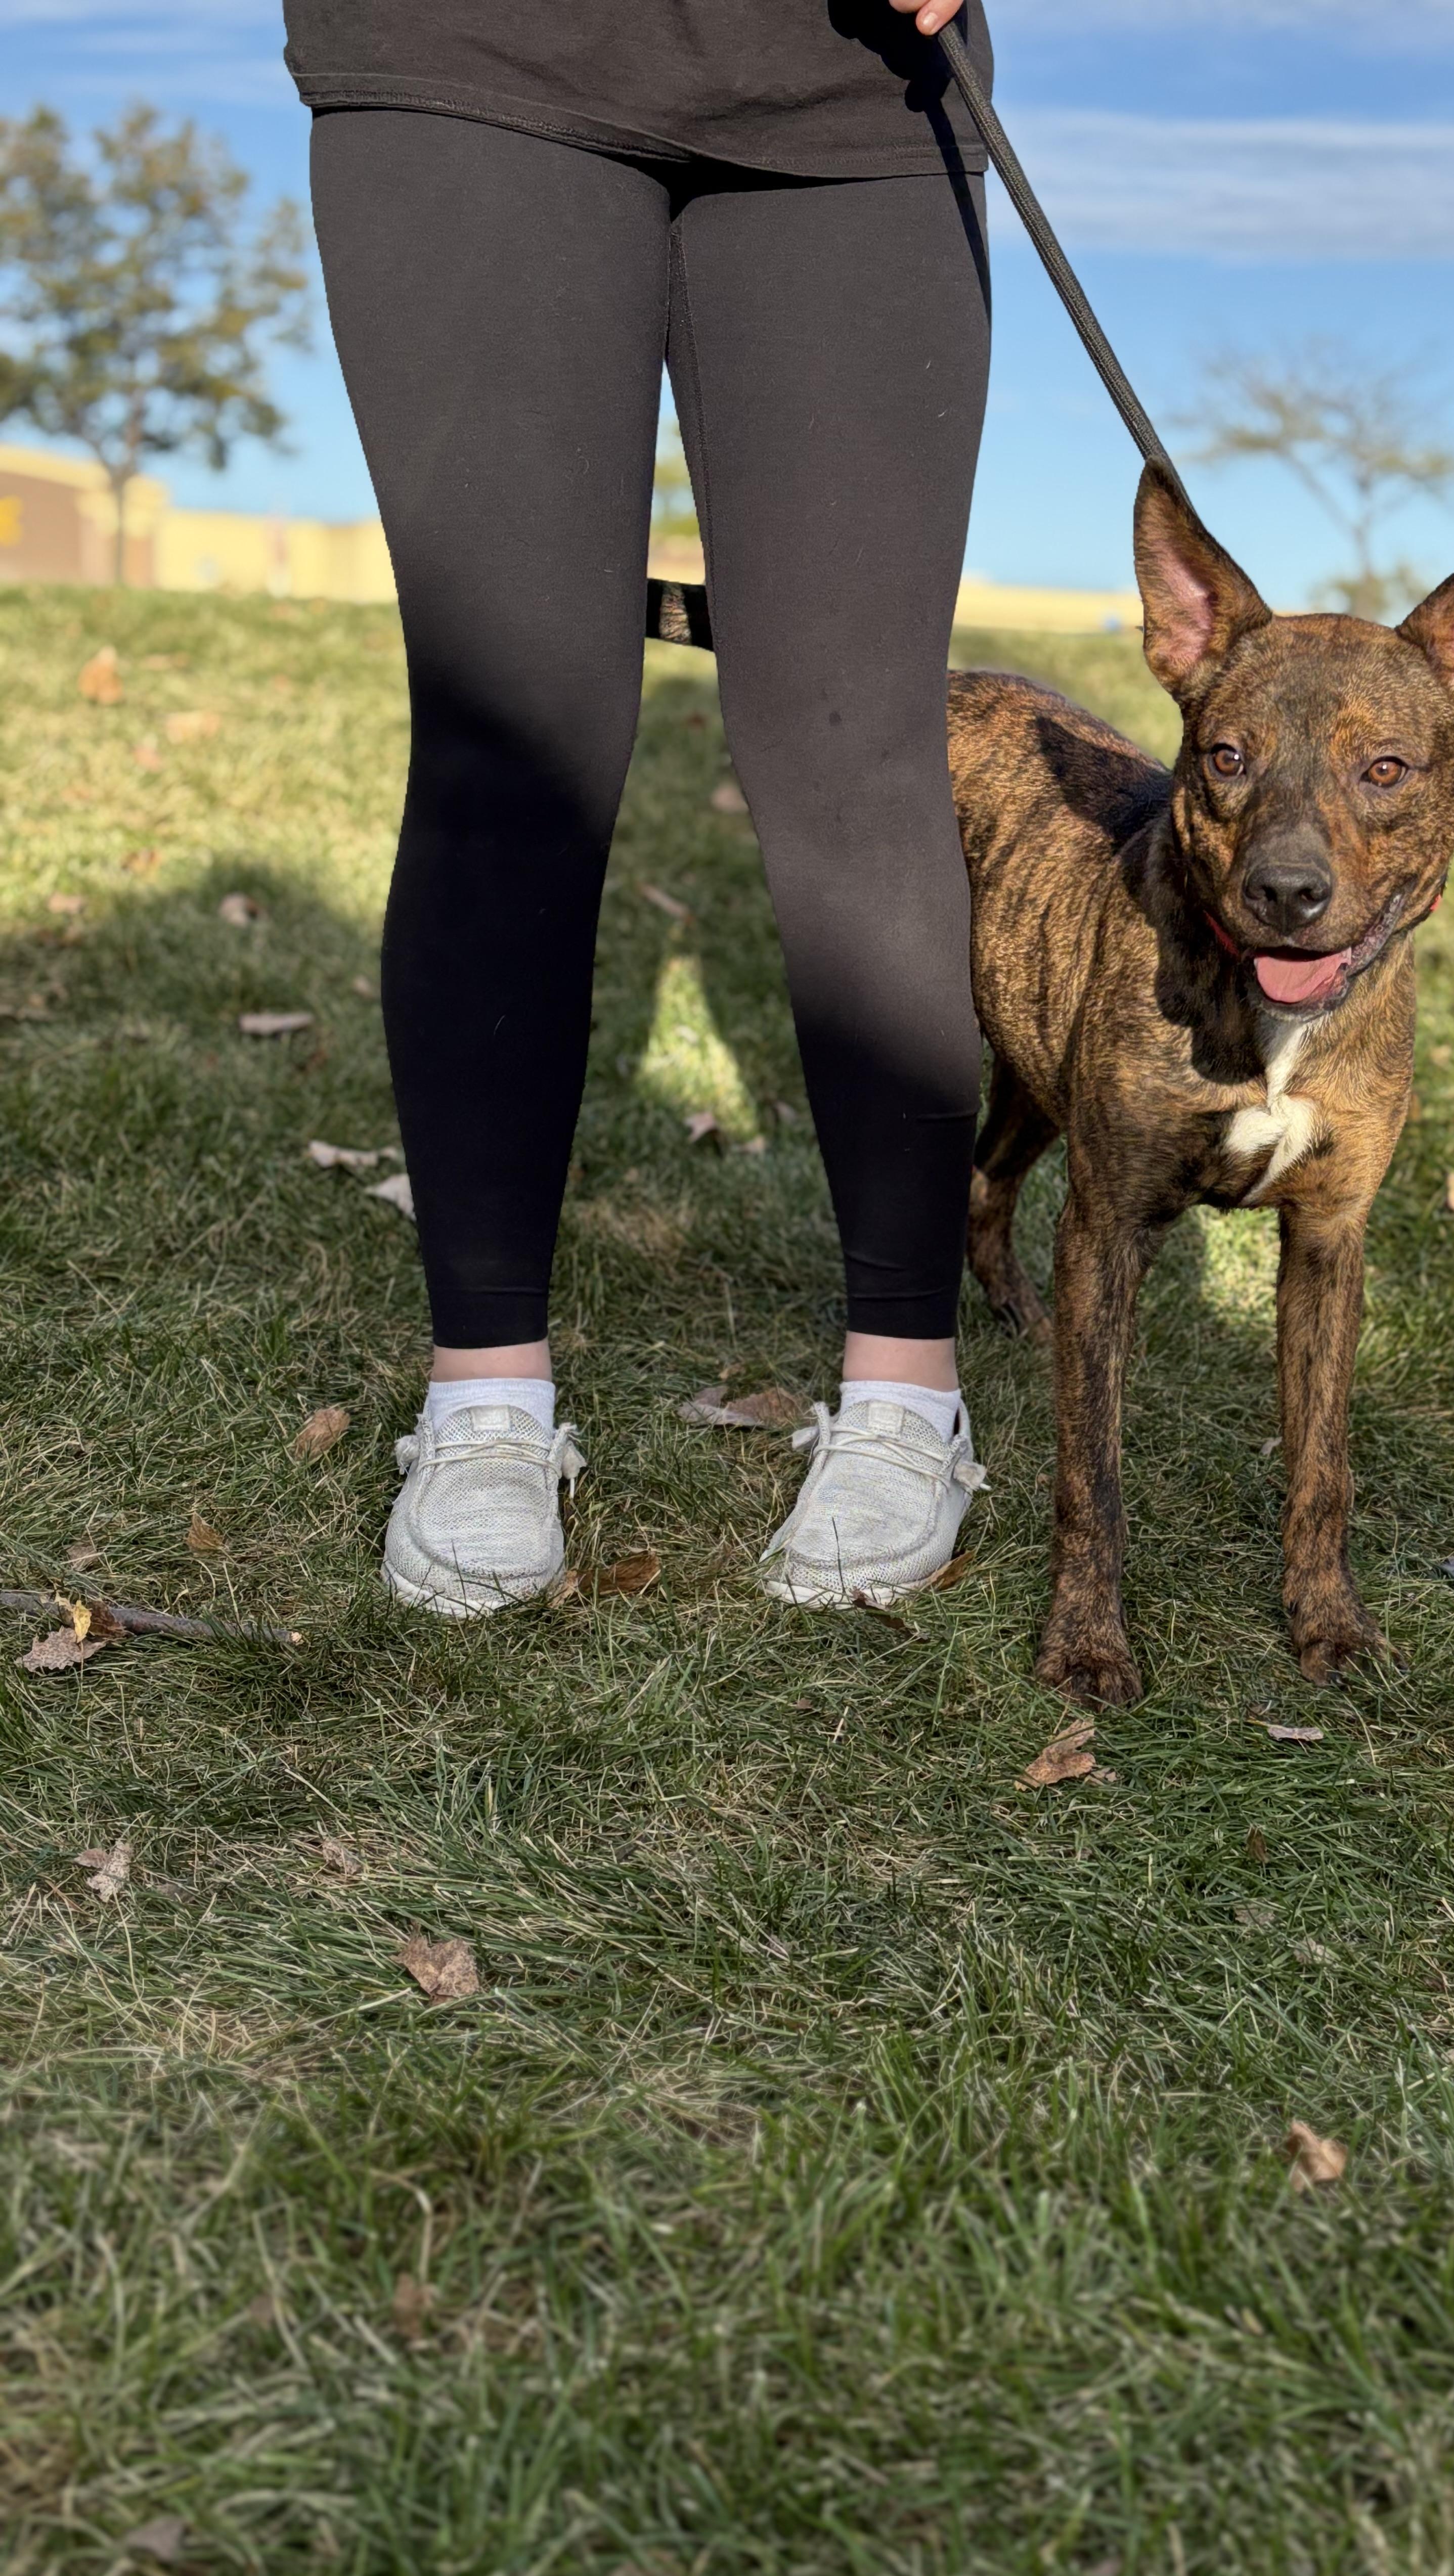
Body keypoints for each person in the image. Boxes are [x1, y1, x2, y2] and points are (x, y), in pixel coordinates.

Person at [284, 0, 993, 1616]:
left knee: (854, 747)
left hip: (854, 92)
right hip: (473, 65)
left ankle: (904, 1395)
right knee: (508, 743)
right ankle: (485, 1400)